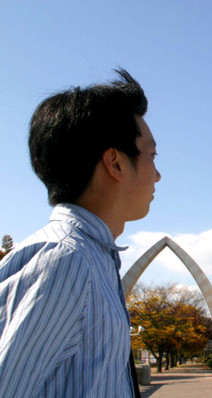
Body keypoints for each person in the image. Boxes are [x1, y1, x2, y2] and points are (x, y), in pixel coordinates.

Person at [0, 69, 161, 397]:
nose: (158, 175)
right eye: (151, 156)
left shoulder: (93, 258)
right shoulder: (65, 261)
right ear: (115, 163)